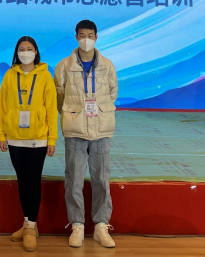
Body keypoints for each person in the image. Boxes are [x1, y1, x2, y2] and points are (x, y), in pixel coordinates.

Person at [54, 20, 118, 249]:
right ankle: (77, 225)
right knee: (74, 179)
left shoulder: (107, 65)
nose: (86, 39)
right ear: (76, 37)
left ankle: (101, 225)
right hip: (75, 129)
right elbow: (59, 96)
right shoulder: (64, 66)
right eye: (82, 35)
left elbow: (112, 92)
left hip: (101, 129)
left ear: (96, 37)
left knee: (101, 178)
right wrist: (73, 114)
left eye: (90, 35)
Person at [0, 36, 58, 252]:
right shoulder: (9, 76)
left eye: (29, 48)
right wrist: (2, 135)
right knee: (22, 181)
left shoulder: (45, 76)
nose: (25, 52)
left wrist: (52, 139)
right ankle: (28, 224)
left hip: (38, 138)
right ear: (16, 53)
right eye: (21, 49)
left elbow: (51, 109)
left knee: (33, 181)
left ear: (36, 52)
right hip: (14, 137)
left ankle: (31, 226)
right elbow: (2, 107)